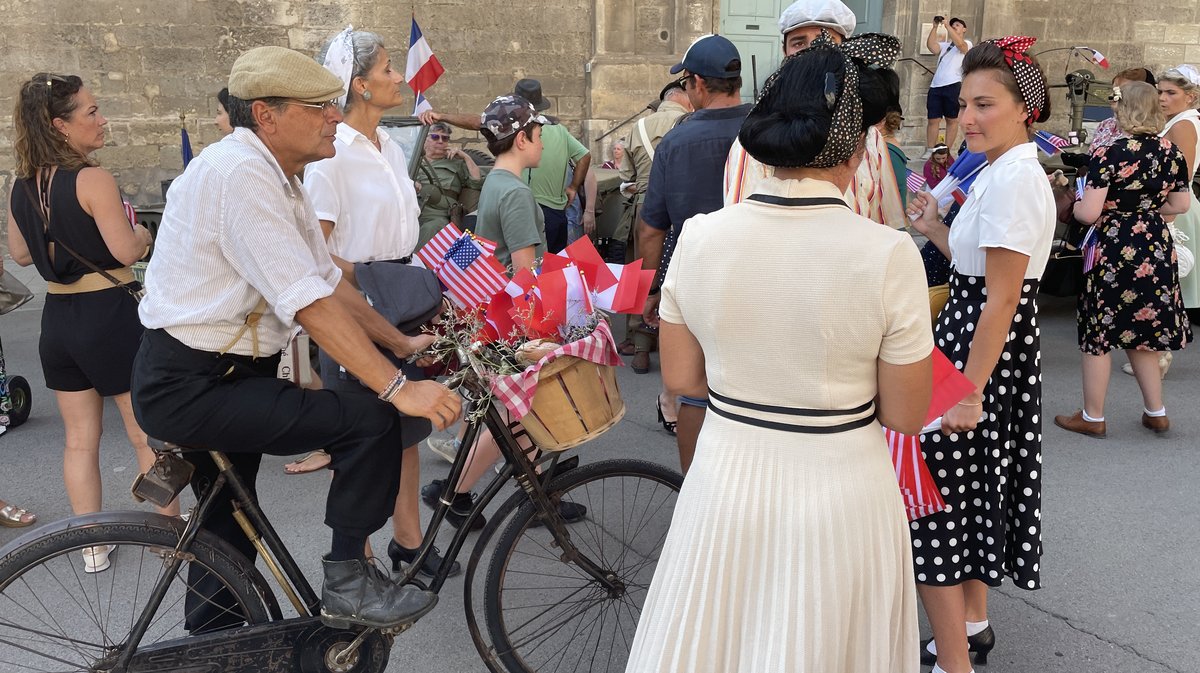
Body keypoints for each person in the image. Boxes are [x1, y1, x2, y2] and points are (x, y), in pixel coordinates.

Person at [625, 41, 933, 673]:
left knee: (720, 641)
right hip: (841, 486)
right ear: (856, 151)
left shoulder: (702, 237)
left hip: (727, 474)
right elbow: (905, 413)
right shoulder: (888, 255)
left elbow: (682, 378)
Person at [132, 46, 462, 633]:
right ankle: (348, 581)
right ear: (266, 114)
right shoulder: (240, 175)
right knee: (371, 421)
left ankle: (215, 643)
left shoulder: (278, 177)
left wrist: (403, 345)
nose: (334, 117)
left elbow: (329, 283)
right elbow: (307, 304)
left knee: (228, 522)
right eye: (319, 107)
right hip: (195, 381)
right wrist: (395, 388)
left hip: (223, 373)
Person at [906, 37, 1056, 673]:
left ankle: (955, 654)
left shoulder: (1018, 177)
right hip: (973, 342)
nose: (967, 117)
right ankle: (971, 628)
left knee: (944, 500)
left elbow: (1000, 301)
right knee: (966, 495)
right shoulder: (999, 170)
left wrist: (970, 389)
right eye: (965, 103)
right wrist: (934, 229)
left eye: (984, 104)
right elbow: (978, 267)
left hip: (981, 351)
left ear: (1024, 109)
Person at [298, 28, 460, 579]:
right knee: (360, 438)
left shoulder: (389, 144)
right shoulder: (330, 154)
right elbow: (316, 250)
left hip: (400, 294)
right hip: (354, 304)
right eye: (389, 70)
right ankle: (356, 559)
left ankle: (408, 541)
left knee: (407, 429)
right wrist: (371, 281)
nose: (399, 78)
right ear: (360, 86)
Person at [7, 72, 177, 576]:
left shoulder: (21, 184)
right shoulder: (92, 179)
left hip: (57, 319)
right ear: (60, 125)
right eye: (91, 112)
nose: (102, 120)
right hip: (109, 314)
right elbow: (126, 249)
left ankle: (92, 543)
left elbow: (19, 253)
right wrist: (143, 236)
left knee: (79, 437)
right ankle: (168, 533)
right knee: (143, 432)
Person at [638, 33, 753, 474]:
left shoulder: (676, 142)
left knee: (693, 389)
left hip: (694, 279)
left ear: (699, 85)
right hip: (754, 277)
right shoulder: (764, 131)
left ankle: (694, 489)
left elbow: (652, 229)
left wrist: (650, 289)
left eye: (686, 83)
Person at [1053, 81, 1192, 438]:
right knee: (1143, 329)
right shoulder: (1171, 152)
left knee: (1099, 331)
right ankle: (1156, 411)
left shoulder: (1109, 152)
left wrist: (1089, 202)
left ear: (1126, 109)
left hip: (1113, 245)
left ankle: (1093, 416)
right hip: (1154, 243)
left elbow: (1088, 213)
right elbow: (1180, 205)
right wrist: (1144, 210)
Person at [723, 0, 907, 230]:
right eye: (800, 43)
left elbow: (886, 220)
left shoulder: (869, 138)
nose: (814, 52)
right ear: (785, 52)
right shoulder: (755, 141)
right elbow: (740, 230)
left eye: (828, 41)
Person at [617, 80, 692, 433]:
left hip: (644, 210)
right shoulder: (690, 123)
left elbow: (626, 177)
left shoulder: (638, 128)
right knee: (673, 279)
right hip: (678, 211)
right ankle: (676, 355)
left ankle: (641, 345)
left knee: (643, 276)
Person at [1157, 65, 1200, 327]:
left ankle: (1160, 356)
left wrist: (1169, 219)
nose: (1162, 98)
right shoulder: (1179, 121)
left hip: (1175, 208)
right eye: (1160, 92)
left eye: (1170, 92)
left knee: (1168, 286)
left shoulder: (1184, 124)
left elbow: (1181, 176)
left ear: (1190, 96)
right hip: (1172, 205)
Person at [415, 121, 482, 247]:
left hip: (438, 213)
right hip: (412, 208)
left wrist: (465, 157)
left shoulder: (455, 163)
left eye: (445, 138)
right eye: (435, 137)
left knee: (433, 227)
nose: (440, 141)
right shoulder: (413, 160)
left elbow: (476, 182)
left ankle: (415, 264)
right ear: (424, 139)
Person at [923, 16, 972, 158]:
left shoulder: (967, 43)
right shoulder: (945, 46)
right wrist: (934, 27)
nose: (955, 26)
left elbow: (961, 46)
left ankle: (946, 151)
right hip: (936, 86)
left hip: (953, 85)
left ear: (964, 29)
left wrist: (948, 26)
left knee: (952, 120)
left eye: (957, 25)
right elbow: (932, 47)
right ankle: (930, 150)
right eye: (953, 25)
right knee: (933, 119)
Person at [1089, 68, 1156, 153]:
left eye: (1122, 92)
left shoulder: (1153, 128)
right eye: (1113, 91)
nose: (1112, 96)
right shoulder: (1106, 124)